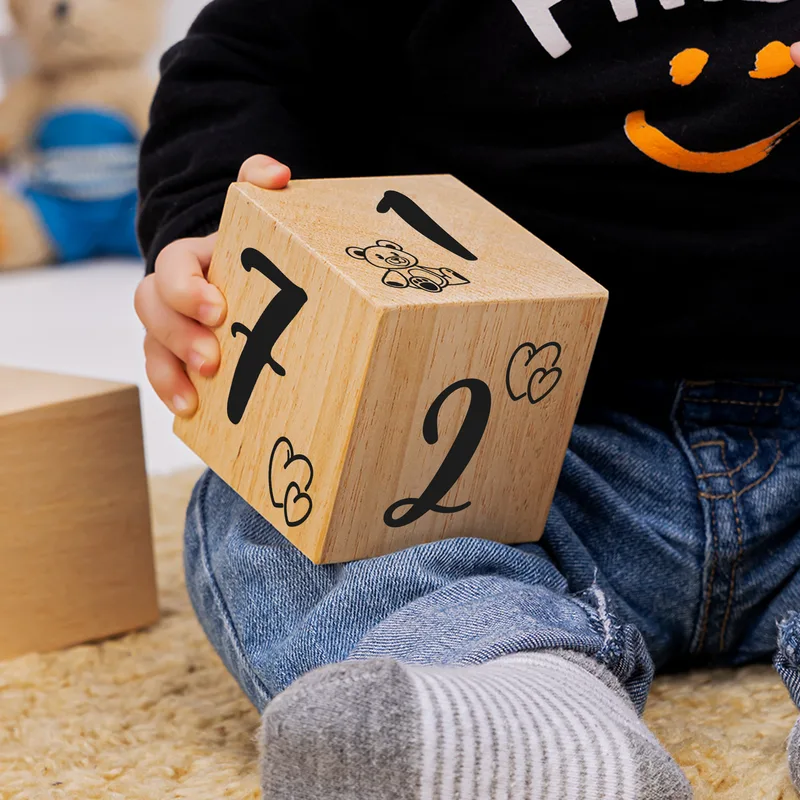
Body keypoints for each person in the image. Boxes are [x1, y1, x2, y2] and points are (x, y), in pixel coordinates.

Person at [134, 0, 800, 796]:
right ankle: (512, 708)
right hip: (487, 437)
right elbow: (250, 61)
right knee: (288, 501)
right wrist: (214, 231)